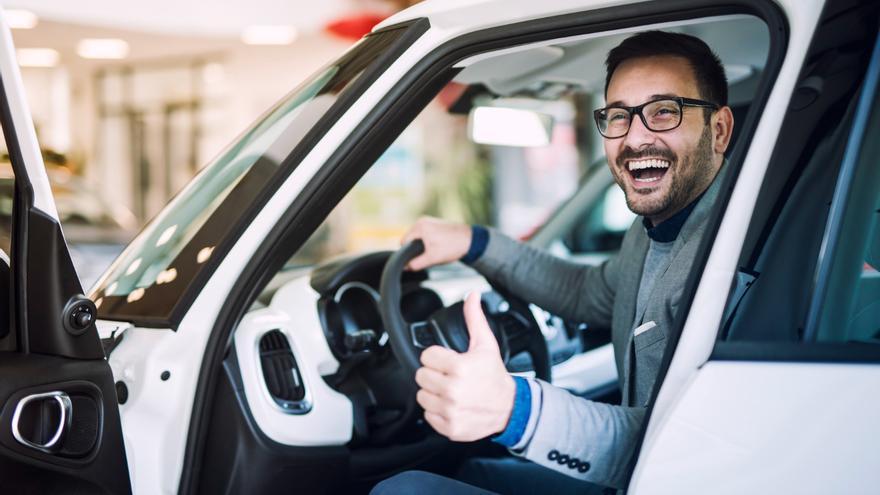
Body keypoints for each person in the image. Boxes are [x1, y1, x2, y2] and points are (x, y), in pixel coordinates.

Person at [373, 30, 734, 494]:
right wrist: (476, 242)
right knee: (470, 472)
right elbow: (587, 294)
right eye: (619, 116)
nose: (635, 138)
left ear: (719, 130)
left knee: (401, 491)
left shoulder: (729, 253)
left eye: (664, 112)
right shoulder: (658, 230)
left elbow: (678, 451)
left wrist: (514, 408)